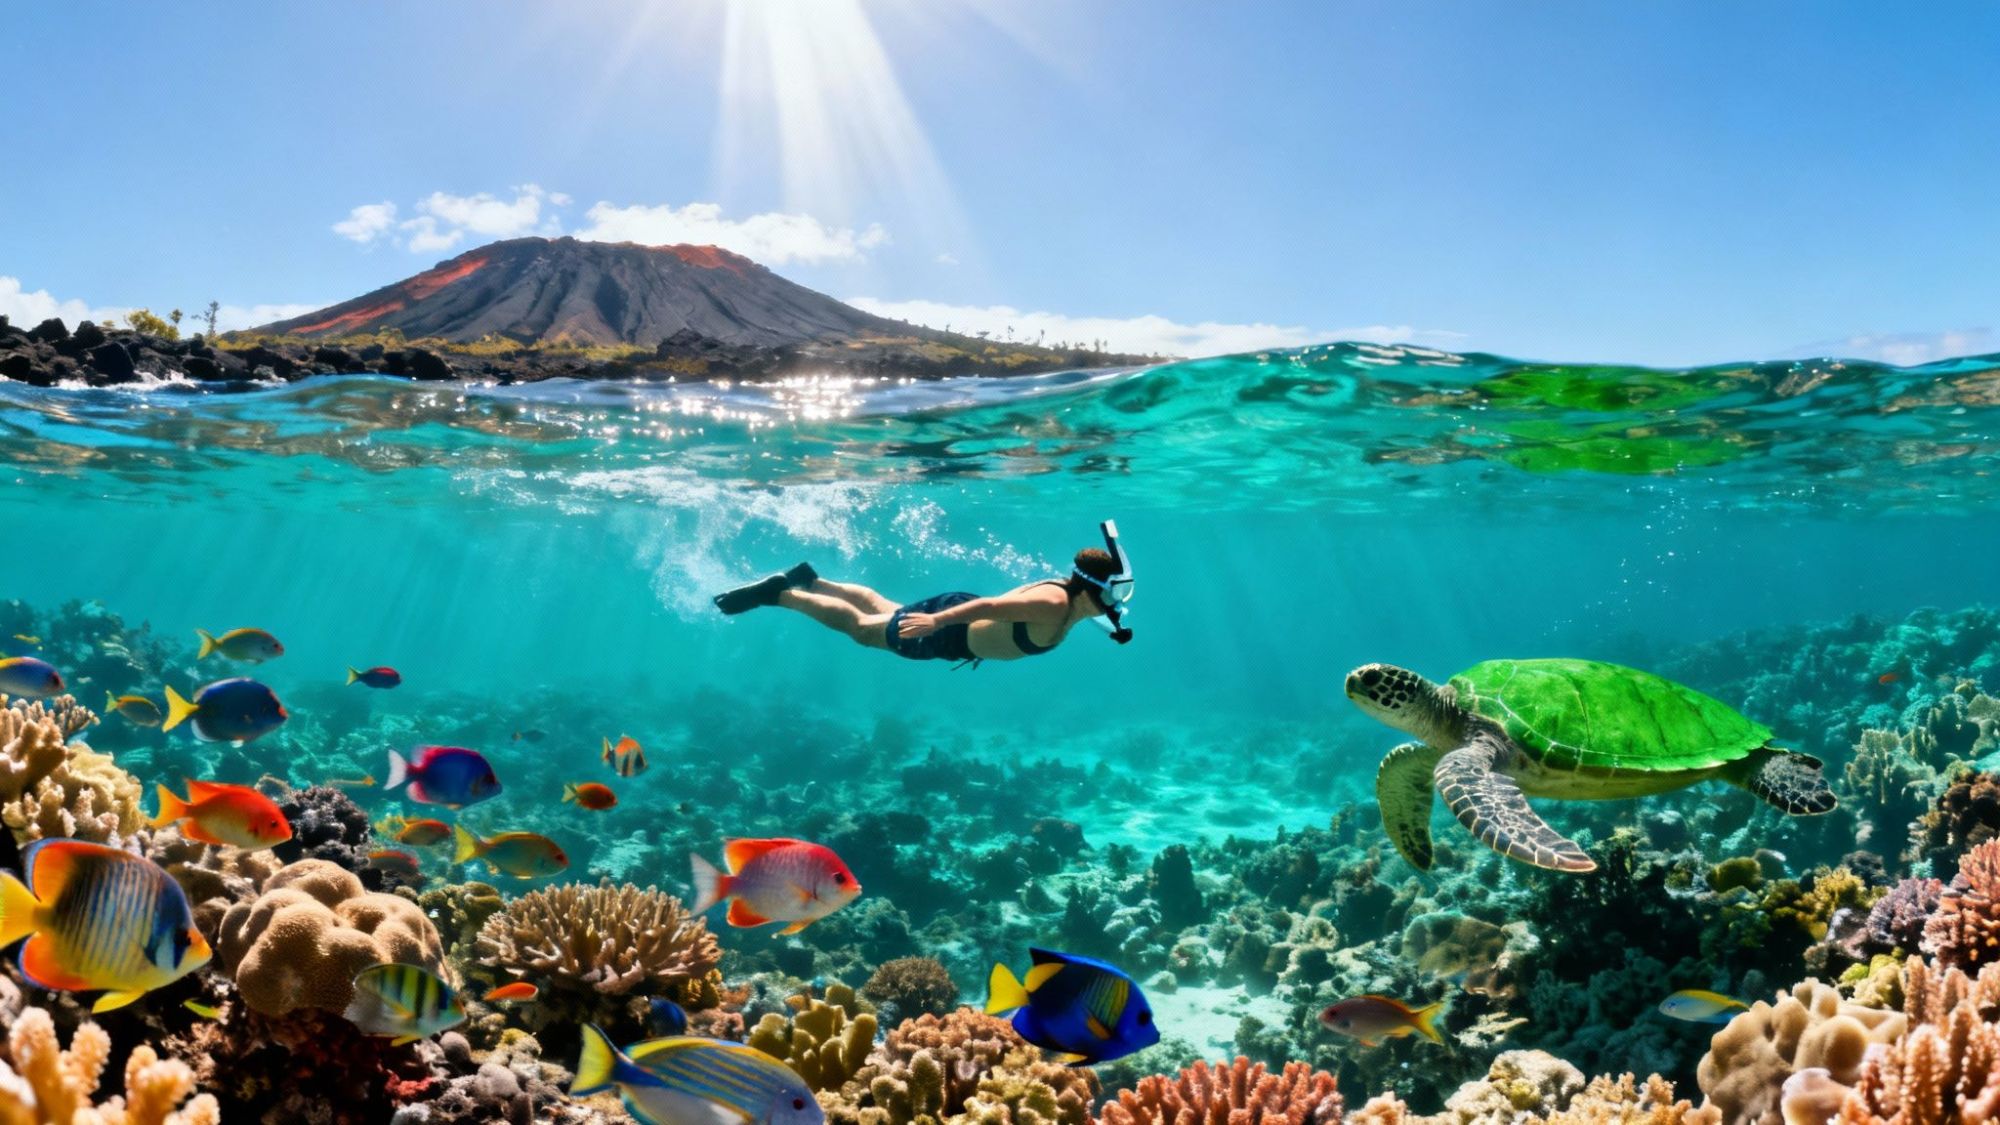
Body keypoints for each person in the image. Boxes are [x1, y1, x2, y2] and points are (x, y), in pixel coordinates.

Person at [713, 522, 1135, 666]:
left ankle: (813, 581)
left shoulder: (1076, 598)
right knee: (862, 629)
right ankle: (781, 594)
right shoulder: (1053, 604)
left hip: (954, 619)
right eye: (1117, 591)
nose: (1119, 601)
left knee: (883, 607)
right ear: (1092, 590)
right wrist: (935, 622)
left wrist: (1114, 629)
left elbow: (1101, 613)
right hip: (948, 631)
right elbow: (990, 606)